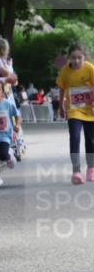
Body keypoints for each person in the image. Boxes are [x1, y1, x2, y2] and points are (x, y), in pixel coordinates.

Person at [55, 44, 94, 184]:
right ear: (69, 58)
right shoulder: (65, 71)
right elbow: (61, 88)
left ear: (84, 57)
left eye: (79, 58)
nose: (76, 61)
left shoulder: (90, 68)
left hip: (89, 110)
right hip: (74, 110)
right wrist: (61, 106)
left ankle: (91, 167)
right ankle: (76, 171)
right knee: (75, 137)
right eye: (73, 58)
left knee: (91, 140)